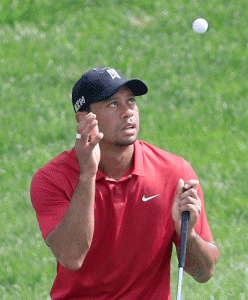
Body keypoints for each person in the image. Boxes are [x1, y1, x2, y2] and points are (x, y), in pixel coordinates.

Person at [30, 66, 220, 300]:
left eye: (131, 101)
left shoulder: (174, 173)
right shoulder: (52, 179)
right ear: (84, 119)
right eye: (113, 104)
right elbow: (71, 256)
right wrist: (87, 175)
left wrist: (187, 235)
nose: (128, 112)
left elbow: (205, 272)